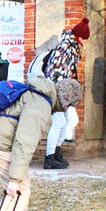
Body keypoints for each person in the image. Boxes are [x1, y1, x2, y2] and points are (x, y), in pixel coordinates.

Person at [0, 75, 81, 211]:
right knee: (19, 189)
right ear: (65, 100)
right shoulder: (40, 107)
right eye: (70, 105)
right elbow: (24, 143)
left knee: (22, 181)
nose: (67, 109)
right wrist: (15, 179)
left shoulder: (39, 93)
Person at [41, 17, 91, 169]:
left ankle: (55, 151)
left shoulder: (72, 47)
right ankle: (50, 157)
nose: (85, 42)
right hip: (57, 90)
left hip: (63, 91)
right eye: (84, 38)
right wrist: (60, 93)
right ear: (78, 36)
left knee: (71, 120)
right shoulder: (65, 47)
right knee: (59, 121)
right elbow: (55, 71)